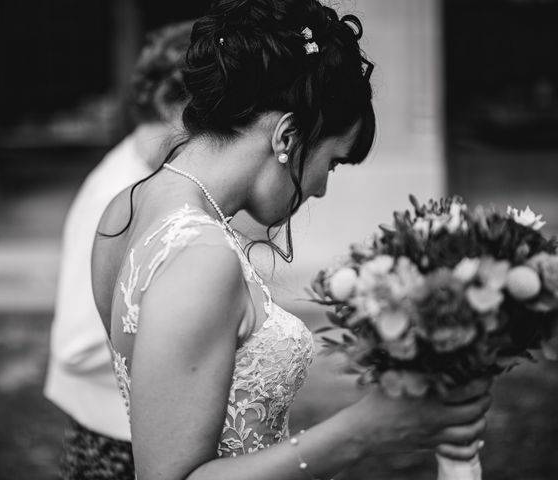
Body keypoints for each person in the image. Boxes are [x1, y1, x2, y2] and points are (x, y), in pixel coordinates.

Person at [91, 1, 492, 479]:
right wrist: (362, 432)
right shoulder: (202, 258)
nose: (321, 186)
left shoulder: (126, 209)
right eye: (333, 161)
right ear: (286, 135)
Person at [44, 21, 192, 479]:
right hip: (115, 442)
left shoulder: (152, 181)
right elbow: (76, 346)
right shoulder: (116, 195)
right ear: (170, 103)